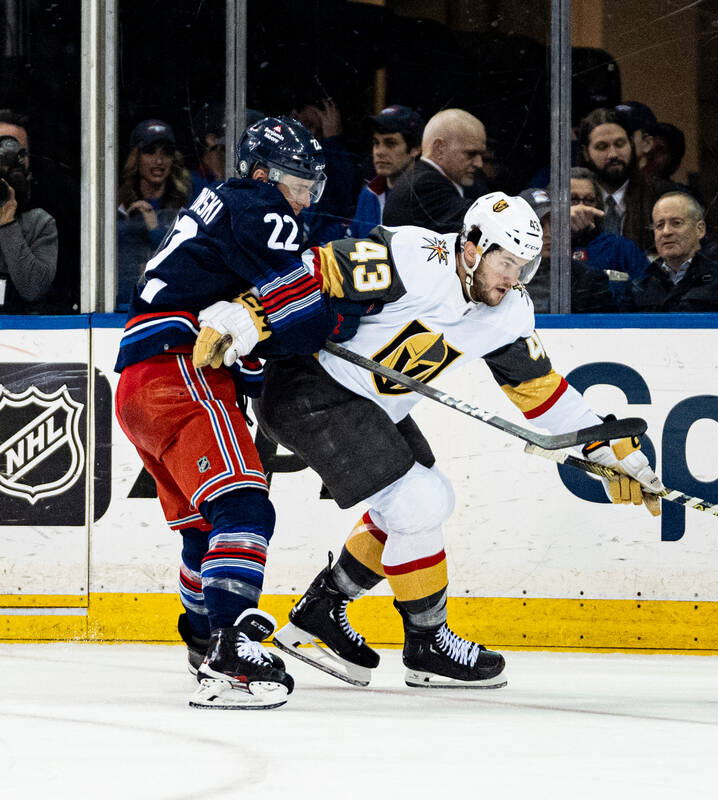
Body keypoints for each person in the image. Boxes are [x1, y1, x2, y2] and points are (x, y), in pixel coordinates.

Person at [255, 191, 664, 689]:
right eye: (506, 262)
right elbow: (316, 270)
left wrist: (602, 447)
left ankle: (321, 611)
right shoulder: (414, 255)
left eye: (525, 266)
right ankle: (427, 643)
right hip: (308, 388)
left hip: (369, 406)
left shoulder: (506, 311)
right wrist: (245, 317)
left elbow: (542, 394)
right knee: (419, 503)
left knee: (422, 497)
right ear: (471, 246)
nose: (514, 278)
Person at [113, 116, 336, 709]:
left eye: (311, 186)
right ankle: (230, 653)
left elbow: (253, 340)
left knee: (203, 529)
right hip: (181, 369)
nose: (302, 198)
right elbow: (308, 319)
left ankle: (202, 638)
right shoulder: (258, 203)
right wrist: (322, 309)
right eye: (295, 182)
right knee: (244, 505)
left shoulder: (214, 208)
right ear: (262, 174)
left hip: (138, 384)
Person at [631, 192, 718, 312]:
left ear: (700, 230)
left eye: (676, 223)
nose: (666, 232)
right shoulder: (641, 284)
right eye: (659, 225)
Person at [116, 120, 193, 308]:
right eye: (150, 151)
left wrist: (154, 229)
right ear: (136, 156)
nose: (159, 161)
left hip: (174, 306)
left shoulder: (188, 201)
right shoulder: (116, 202)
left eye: (166, 153)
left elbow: (188, 263)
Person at [578, 107, 675, 254]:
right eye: (602, 147)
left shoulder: (662, 196)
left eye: (619, 144)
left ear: (631, 144)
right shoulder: (570, 199)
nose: (613, 154)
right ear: (586, 152)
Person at [382, 108, 486, 232]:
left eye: (480, 155)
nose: (479, 164)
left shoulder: (427, 180)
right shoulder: (423, 185)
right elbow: (485, 220)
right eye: (471, 153)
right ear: (439, 148)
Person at [518, 186, 617, 313]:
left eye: (554, 223)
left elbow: (601, 329)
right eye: (538, 225)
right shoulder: (501, 279)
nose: (549, 233)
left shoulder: (589, 280)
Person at [566, 167, 650, 309]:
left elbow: (647, 296)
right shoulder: (546, 246)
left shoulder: (621, 248)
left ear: (598, 205)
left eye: (588, 200)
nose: (581, 207)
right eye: (573, 200)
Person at [0, 109, 57, 313]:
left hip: (25, 334)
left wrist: (7, 223)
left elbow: (33, 288)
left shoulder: (40, 223)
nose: (8, 157)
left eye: (17, 150)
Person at [350, 104, 425, 238]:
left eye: (390, 143)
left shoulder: (428, 197)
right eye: (376, 143)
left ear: (415, 149)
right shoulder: (368, 194)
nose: (379, 152)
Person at [293, 96, 359, 246]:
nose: (312, 134)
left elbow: (345, 195)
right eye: (307, 125)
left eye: (320, 129)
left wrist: (333, 140)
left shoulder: (334, 164)